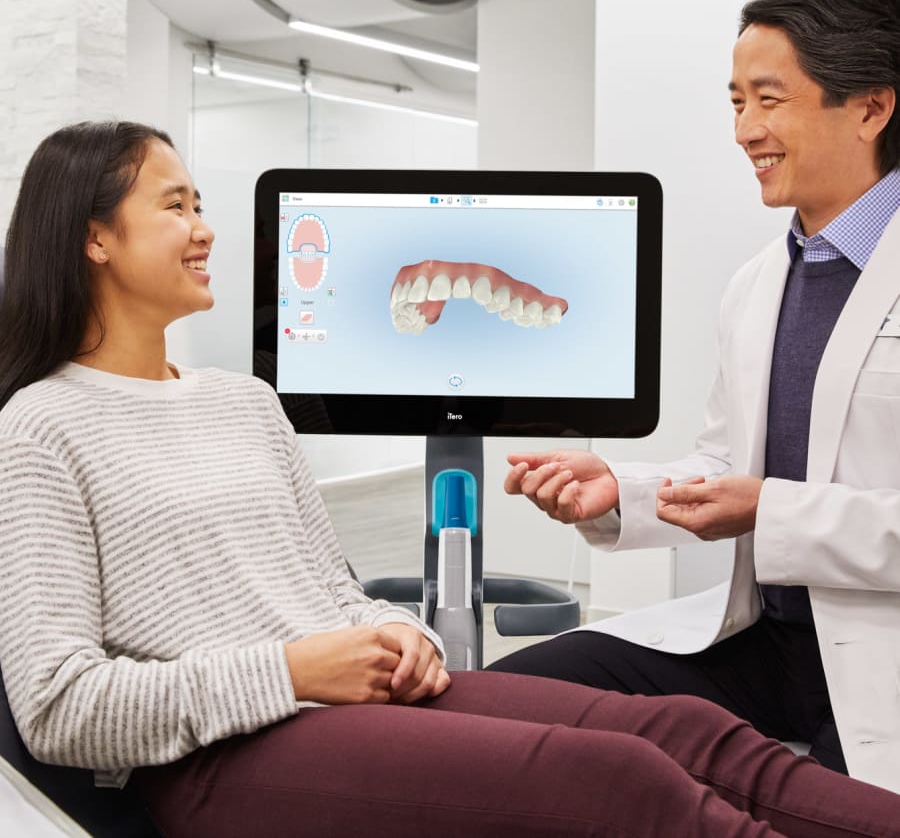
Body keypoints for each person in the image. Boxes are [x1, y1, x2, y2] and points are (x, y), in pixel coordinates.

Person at [3, 125, 900, 838]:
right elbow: (60, 709)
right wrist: (292, 669)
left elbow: (329, 591)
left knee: (690, 734)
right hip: (217, 753)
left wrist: (397, 633)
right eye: (175, 206)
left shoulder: (243, 403)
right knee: (621, 784)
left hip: (340, 696)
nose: (205, 228)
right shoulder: (42, 427)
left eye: (201, 203)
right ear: (94, 238)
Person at [490, 0, 900, 795]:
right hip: (766, 642)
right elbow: (725, 464)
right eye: (736, 102)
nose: (745, 129)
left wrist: (769, 508)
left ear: (870, 106)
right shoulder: (760, 283)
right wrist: (623, 490)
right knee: (502, 700)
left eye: (768, 99)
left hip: (880, 659)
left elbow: (761, 497)